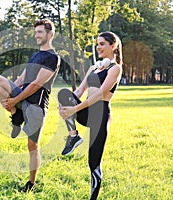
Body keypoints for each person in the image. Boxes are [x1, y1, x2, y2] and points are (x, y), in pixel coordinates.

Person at [0, 19, 60, 192]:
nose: (36, 35)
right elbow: (22, 79)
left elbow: (36, 84)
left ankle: (31, 183)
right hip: (22, 100)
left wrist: (14, 99)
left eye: (40, 32)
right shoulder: (34, 55)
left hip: (36, 105)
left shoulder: (53, 58)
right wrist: (9, 96)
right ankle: (16, 114)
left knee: (32, 145)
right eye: (35, 32)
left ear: (49, 34)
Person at [58, 31, 123, 200]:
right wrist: (64, 105)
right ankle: (73, 136)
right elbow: (80, 91)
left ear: (113, 45)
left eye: (102, 44)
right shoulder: (94, 68)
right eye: (97, 44)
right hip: (86, 111)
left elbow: (101, 94)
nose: (98, 47)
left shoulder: (115, 68)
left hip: (101, 115)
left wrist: (74, 109)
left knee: (93, 163)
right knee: (64, 94)